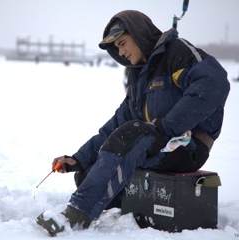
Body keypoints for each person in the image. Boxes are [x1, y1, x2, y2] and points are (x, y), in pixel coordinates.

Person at [37, 10, 230, 236]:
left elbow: (214, 83)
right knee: (86, 174)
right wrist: (78, 158)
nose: (121, 52)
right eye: (116, 48)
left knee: (133, 133)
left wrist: (166, 128)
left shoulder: (177, 53)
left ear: (138, 34)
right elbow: (114, 127)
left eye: (123, 43)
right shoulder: (140, 78)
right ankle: (133, 205)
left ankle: (77, 215)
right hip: (155, 144)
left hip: (186, 146)